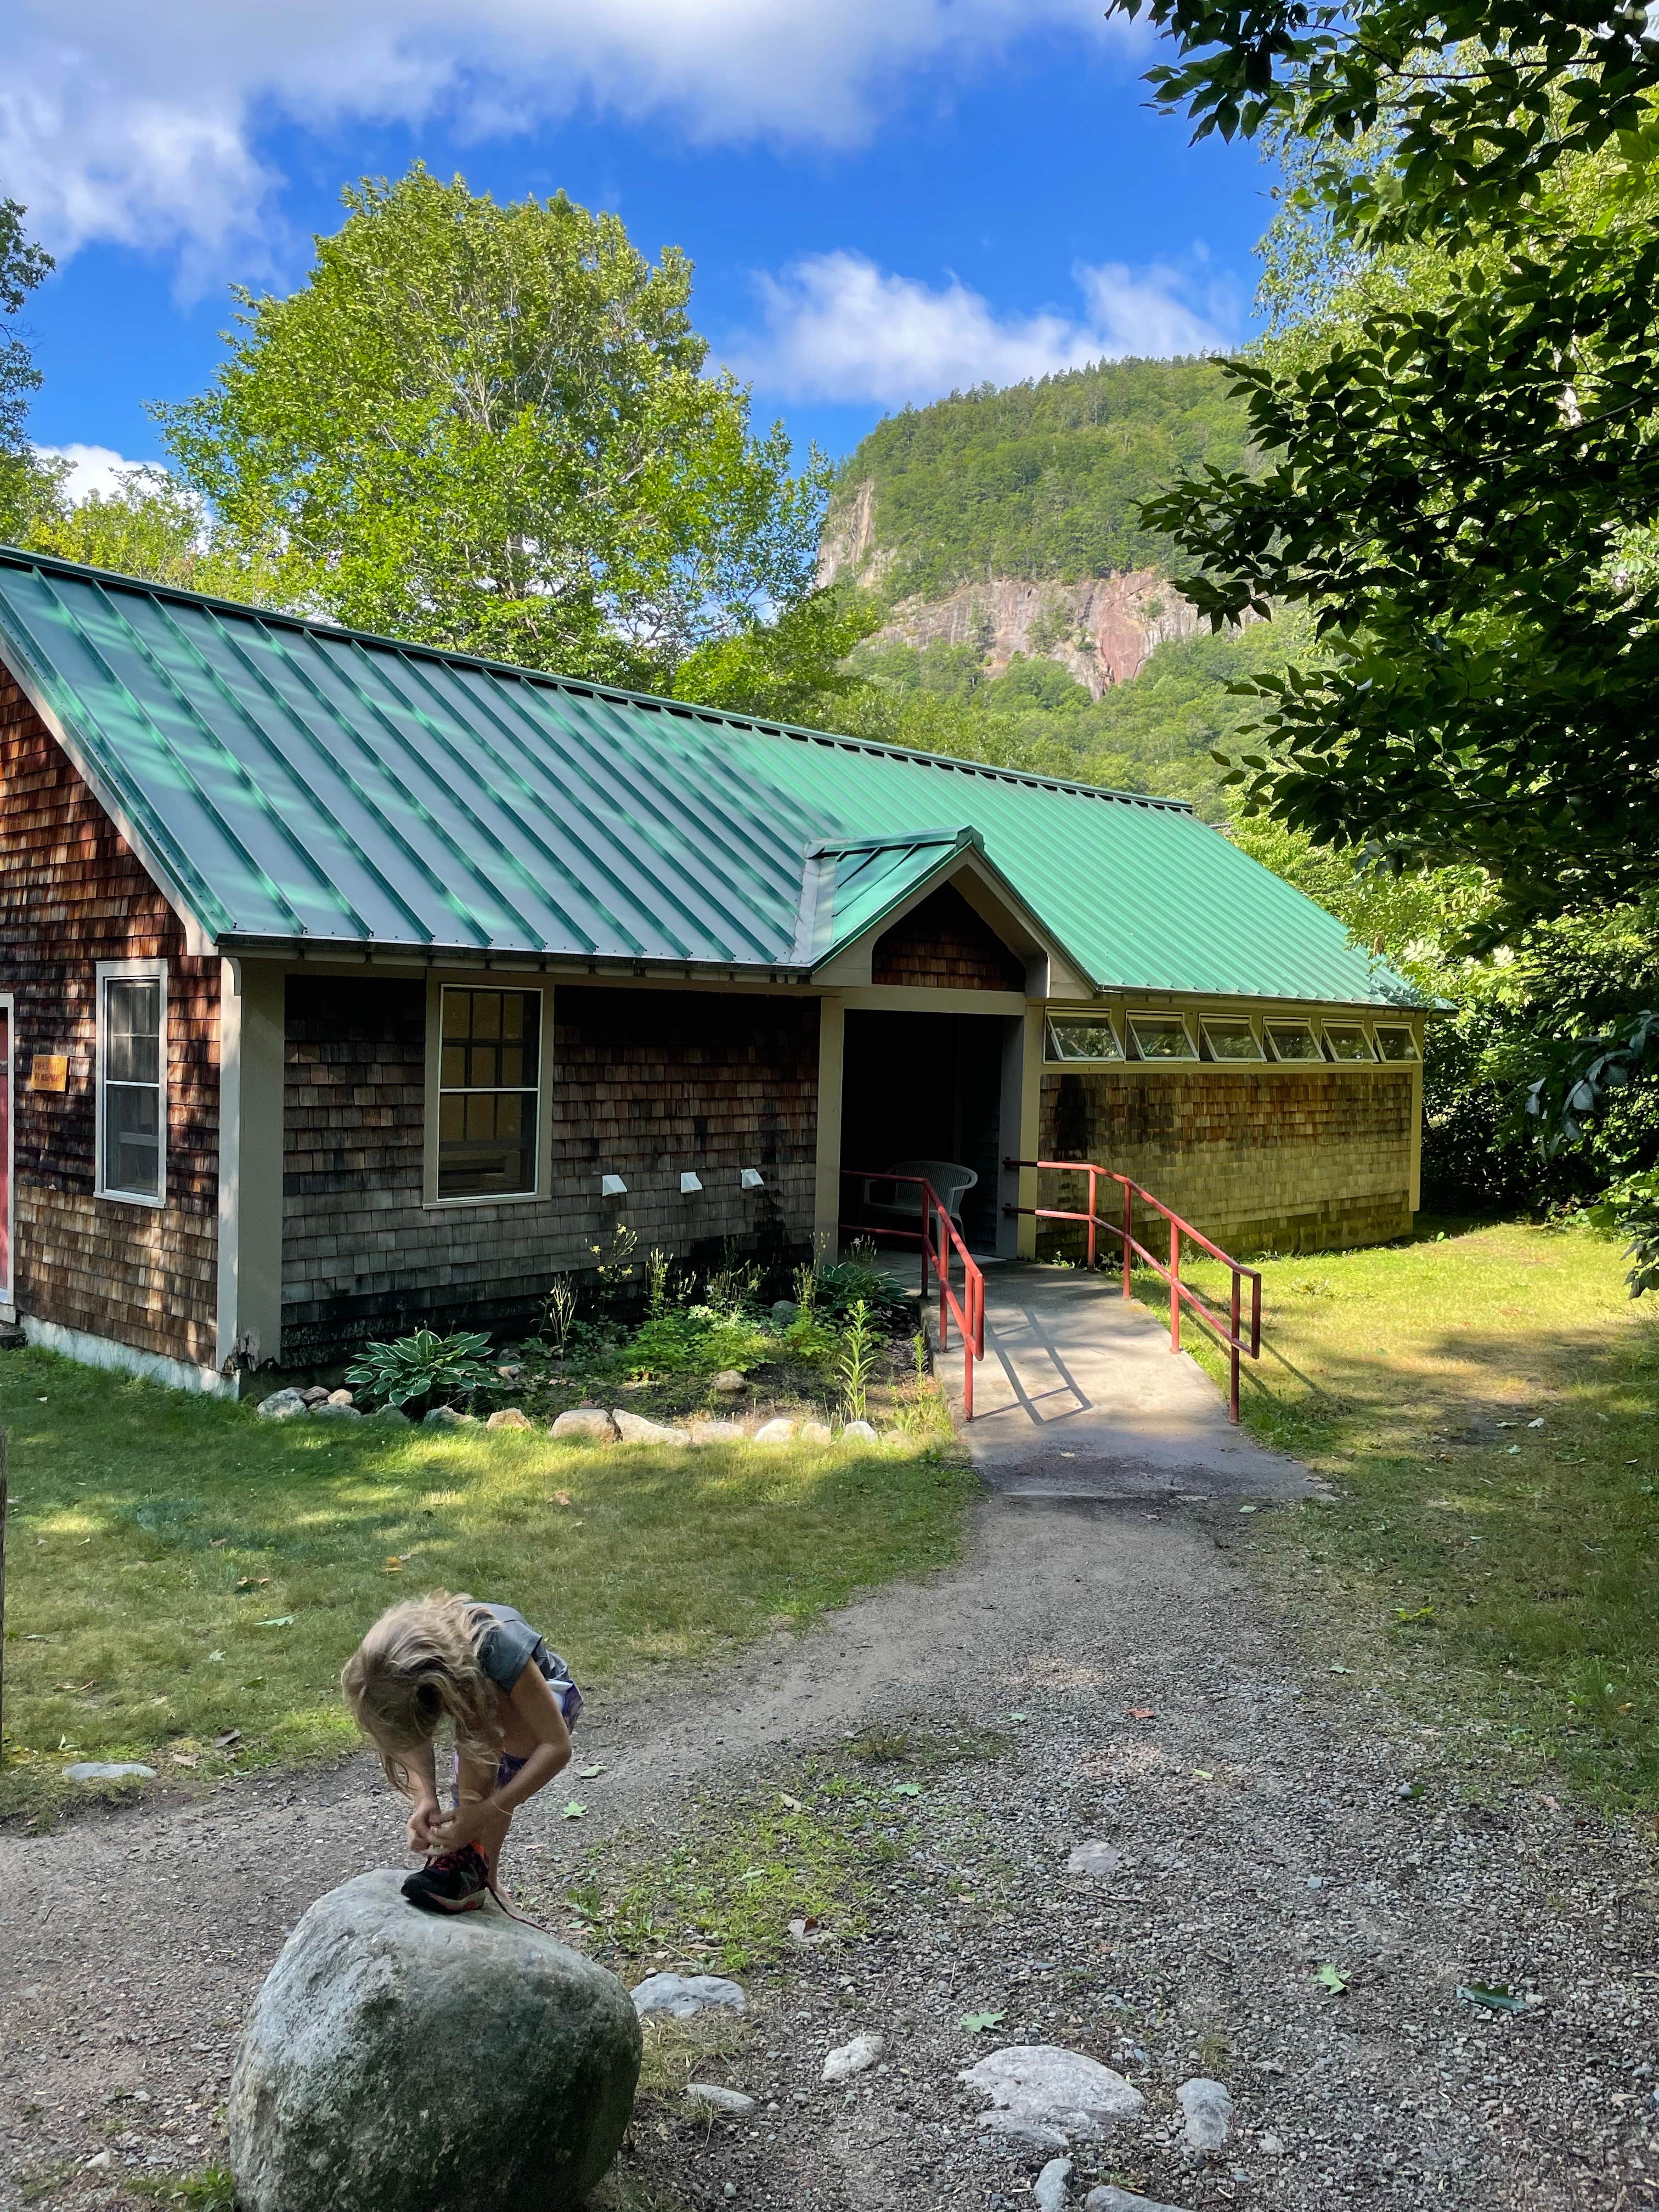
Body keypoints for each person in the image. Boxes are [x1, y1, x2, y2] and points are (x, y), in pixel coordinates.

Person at [342, 1591, 581, 1914]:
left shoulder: (499, 1646)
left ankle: (475, 1861)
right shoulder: (392, 1665)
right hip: (476, 1698)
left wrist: (489, 1809)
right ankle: (480, 1870)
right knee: (476, 1739)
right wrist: (424, 1798)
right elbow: (409, 1735)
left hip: (546, 1708)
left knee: (480, 1739)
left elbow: (557, 1746)